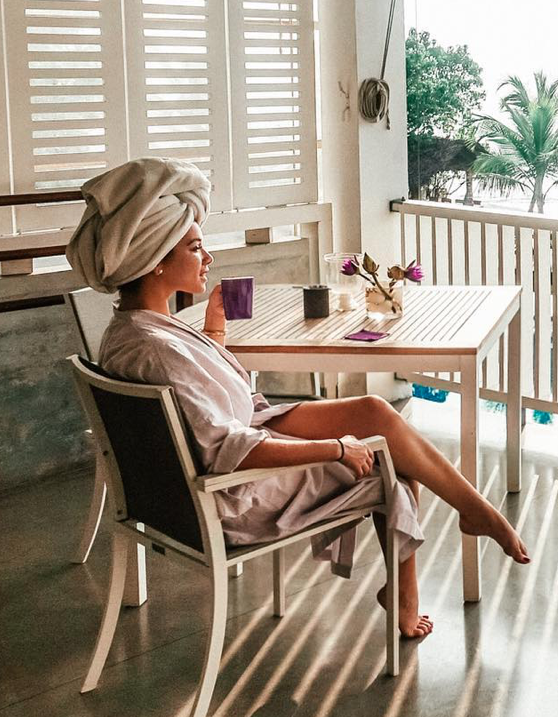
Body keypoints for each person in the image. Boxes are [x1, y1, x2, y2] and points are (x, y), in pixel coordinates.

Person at [67, 157, 529, 640]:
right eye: (196, 247)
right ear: (156, 261)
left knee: (374, 412)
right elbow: (229, 449)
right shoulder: (157, 350)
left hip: (230, 449)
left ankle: (470, 511)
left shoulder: (133, 332)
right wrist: (337, 449)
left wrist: (215, 327)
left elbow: (201, 406)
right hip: (236, 493)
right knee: (392, 461)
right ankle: (416, 582)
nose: (208, 258)